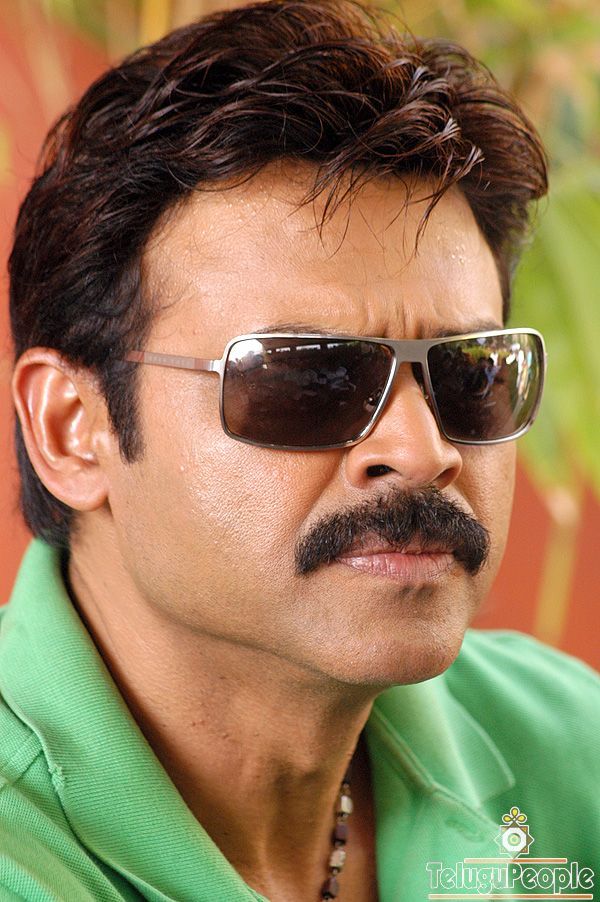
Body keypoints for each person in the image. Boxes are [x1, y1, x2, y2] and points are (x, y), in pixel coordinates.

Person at [0, 1, 598, 900]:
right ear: (70, 430)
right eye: (311, 377)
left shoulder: (570, 753)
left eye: (469, 372)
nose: (421, 449)